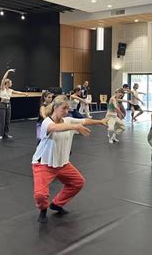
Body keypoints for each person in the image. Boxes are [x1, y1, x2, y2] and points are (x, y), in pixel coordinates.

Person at [32, 95, 108, 223]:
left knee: (78, 182)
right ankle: (43, 209)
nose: (66, 111)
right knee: (40, 195)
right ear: (55, 107)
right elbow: (55, 128)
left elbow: (84, 121)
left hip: (63, 164)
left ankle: (57, 204)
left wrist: (99, 122)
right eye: (64, 108)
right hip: (43, 164)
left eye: (68, 109)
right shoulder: (47, 122)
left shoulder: (68, 120)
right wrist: (75, 127)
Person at [0, 69, 28, 140]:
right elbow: (3, 79)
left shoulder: (10, 90)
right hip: (2, 105)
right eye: (11, 83)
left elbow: (17, 92)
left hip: (8, 105)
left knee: (7, 121)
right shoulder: (2, 88)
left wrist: (24, 93)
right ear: (7, 84)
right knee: (2, 121)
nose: (12, 84)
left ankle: (6, 134)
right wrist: (8, 71)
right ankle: (1, 135)